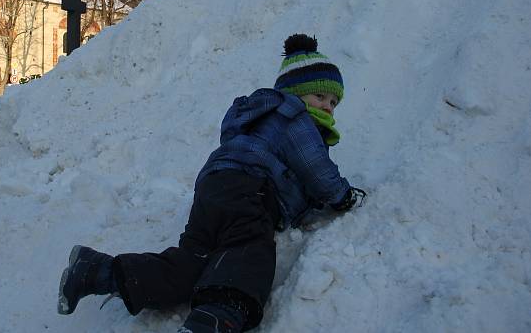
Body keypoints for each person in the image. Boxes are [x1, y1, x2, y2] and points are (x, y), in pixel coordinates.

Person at [57, 34, 366, 332]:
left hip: (214, 186)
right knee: (248, 248)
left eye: (334, 102)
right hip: (251, 188)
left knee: (193, 261)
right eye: (320, 96)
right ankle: (216, 318)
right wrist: (343, 196)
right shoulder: (294, 116)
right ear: (295, 93)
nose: (327, 107)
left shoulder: (260, 117)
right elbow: (316, 169)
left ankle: (98, 271)